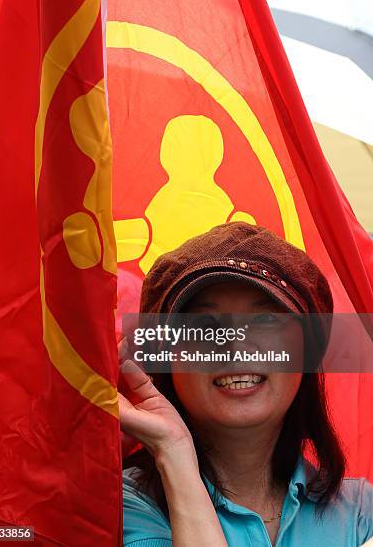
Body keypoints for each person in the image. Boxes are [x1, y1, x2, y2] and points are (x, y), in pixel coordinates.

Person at [118, 222, 373, 546]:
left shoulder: (362, 513)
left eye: (266, 320)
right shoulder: (123, 505)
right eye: (205, 324)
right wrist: (173, 453)